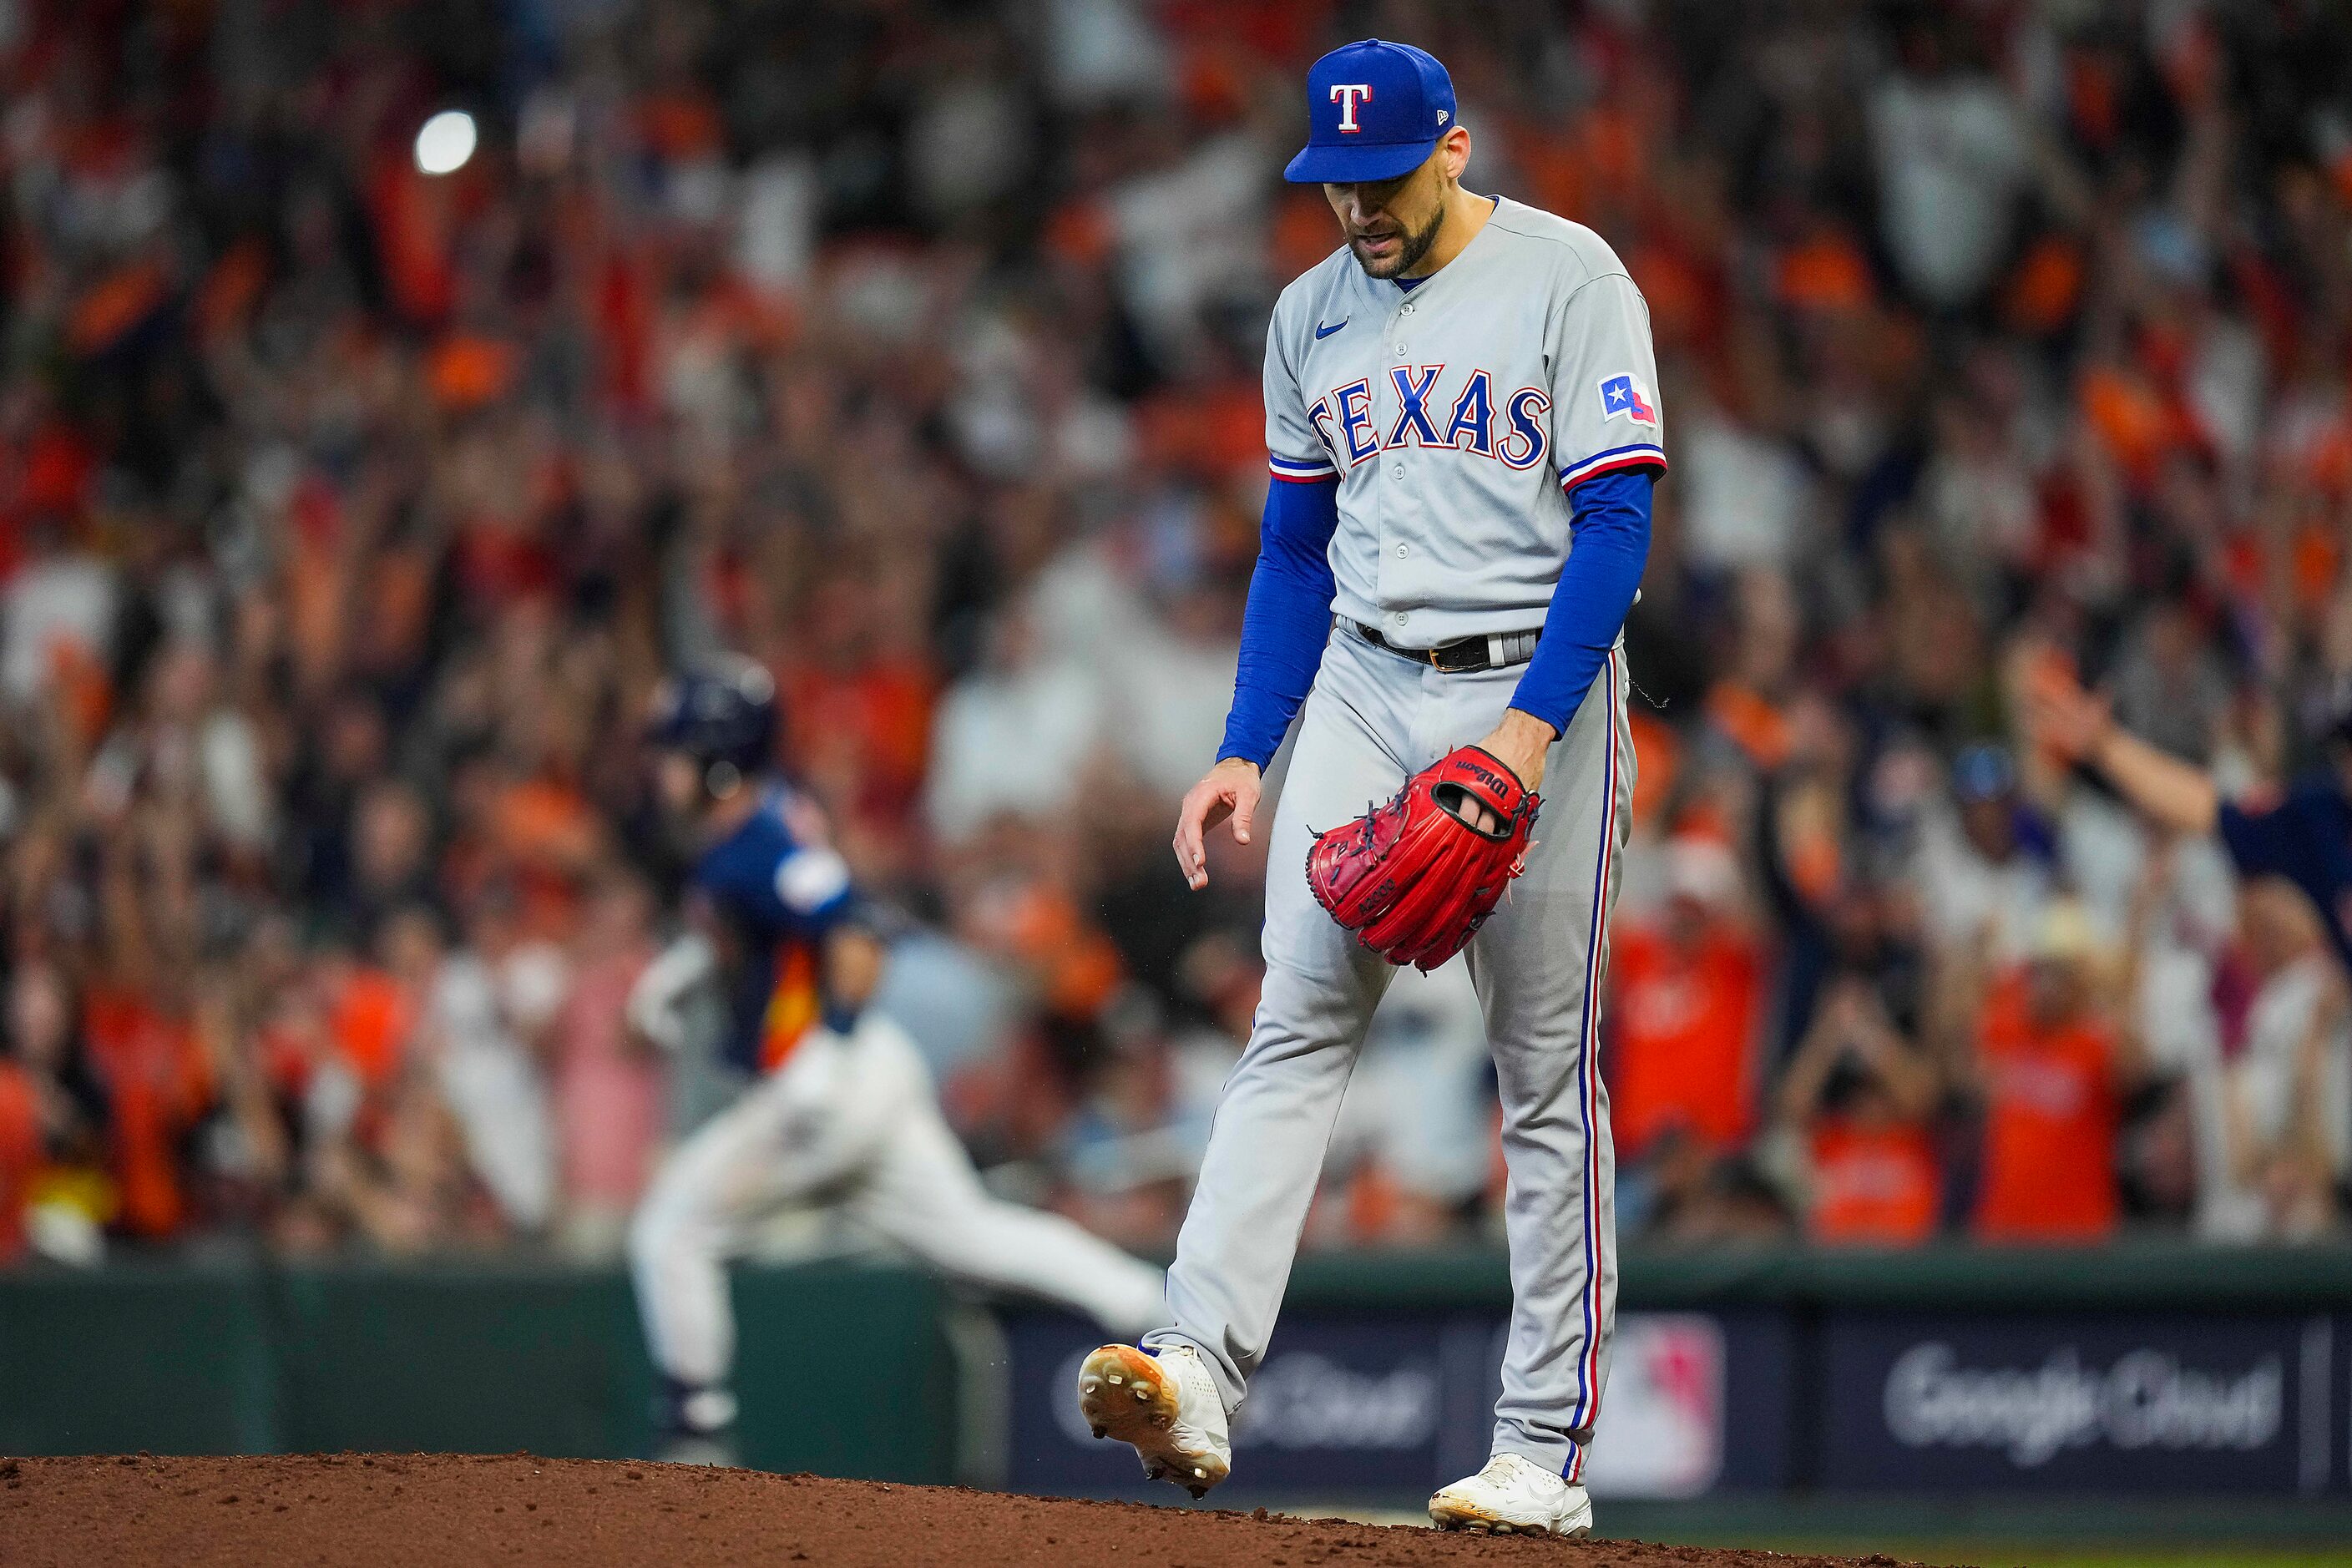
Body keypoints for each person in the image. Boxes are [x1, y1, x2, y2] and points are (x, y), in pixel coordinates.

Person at [1076, 40, 1664, 1538]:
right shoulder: (1306, 314)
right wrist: (1241, 745)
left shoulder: (1568, 275)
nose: (1359, 210)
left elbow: (1614, 524)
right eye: (1335, 184)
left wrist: (1530, 732)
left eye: (1384, 176)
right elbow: (1290, 549)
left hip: (1535, 679)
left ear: (1453, 148)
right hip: (1360, 671)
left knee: (1541, 1075)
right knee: (1292, 1019)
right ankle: (1195, 1362)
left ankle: (1540, 1445)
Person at [624, 656, 1164, 1463]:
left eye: (674, 752)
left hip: (830, 1088)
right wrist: (692, 971)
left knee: (671, 1231)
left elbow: (858, 931)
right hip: (861, 1080)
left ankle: (695, 1436)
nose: (661, 769)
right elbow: (773, 934)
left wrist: (828, 1047)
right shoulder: (750, 829)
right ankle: (1153, 1308)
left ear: (715, 758)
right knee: (970, 1237)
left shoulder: (762, 840)